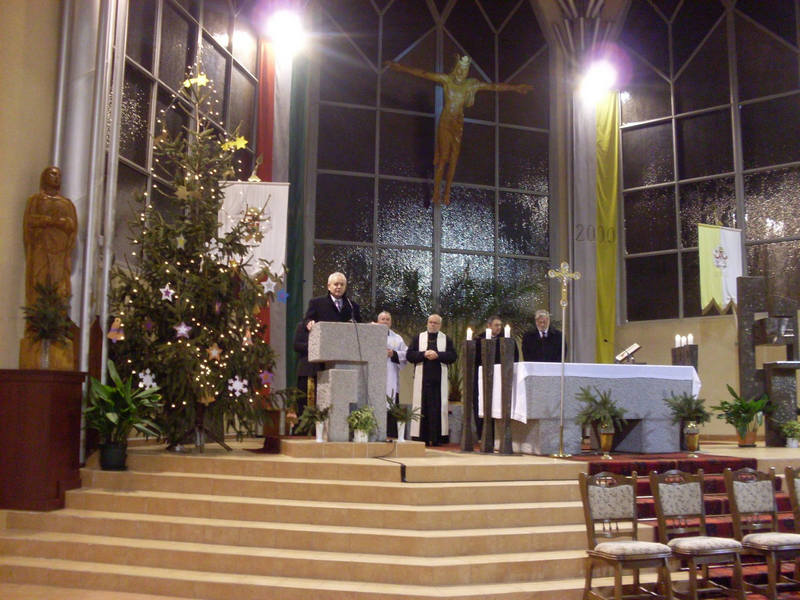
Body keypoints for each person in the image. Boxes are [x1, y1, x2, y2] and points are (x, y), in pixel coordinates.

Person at [385, 55, 532, 205]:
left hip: (457, 123)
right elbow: (423, 73)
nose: (462, 72)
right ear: (456, 68)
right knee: (443, 159)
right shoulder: (447, 80)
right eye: (460, 69)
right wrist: (401, 68)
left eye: (465, 70)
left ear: (467, 71)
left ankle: (447, 192)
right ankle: (436, 192)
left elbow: (494, 87)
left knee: (454, 159)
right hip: (445, 122)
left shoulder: (471, 85)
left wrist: (515, 88)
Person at [23, 166, 78, 305]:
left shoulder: (67, 204)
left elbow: (72, 226)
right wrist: (45, 220)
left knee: (59, 284)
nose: (57, 178)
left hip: (59, 251)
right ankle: (36, 313)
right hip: (41, 247)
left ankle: (57, 313)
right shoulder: (36, 200)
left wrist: (62, 222)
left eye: (59, 175)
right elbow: (29, 221)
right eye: (53, 174)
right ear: (44, 177)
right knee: (38, 280)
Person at [407, 314, 457, 446]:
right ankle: (420, 437)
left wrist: (437, 355)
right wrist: (424, 354)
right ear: (427, 323)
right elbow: (409, 355)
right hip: (422, 381)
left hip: (438, 383)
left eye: (435, 323)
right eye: (430, 322)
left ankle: (436, 438)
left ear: (440, 325)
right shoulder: (418, 338)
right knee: (422, 408)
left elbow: (452, 356)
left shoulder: (446, 339)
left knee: (436, 409)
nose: (432, 325)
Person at [474, 315, 519, 439]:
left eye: (500, 325)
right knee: (482, 404)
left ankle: (499, 435)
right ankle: (483, 435)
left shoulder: (507, 339)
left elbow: (514, 357)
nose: (499, 327)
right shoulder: (479, 339)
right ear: (489, 326)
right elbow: (474, 359)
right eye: (496, 325)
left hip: (502, 378)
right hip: (483, 377)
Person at [376, 311, 408, 438]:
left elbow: (406, 354)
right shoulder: (370, 334)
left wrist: (393, 354)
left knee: (391, 402)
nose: (385, 321)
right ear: (378, 321)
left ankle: (391, 434)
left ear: (391, 322)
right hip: (375, 374)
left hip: (391, 376)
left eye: (387, 319)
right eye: (382, 319)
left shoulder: (397, 338)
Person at [292, 319, 320, 431]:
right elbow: (296, 345)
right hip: (306, 369)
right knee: (303, 401)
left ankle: (316, 428)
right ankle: (303, 428)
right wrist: (313, 346)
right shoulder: (302, 326)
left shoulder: (326, 325)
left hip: (321, 370)